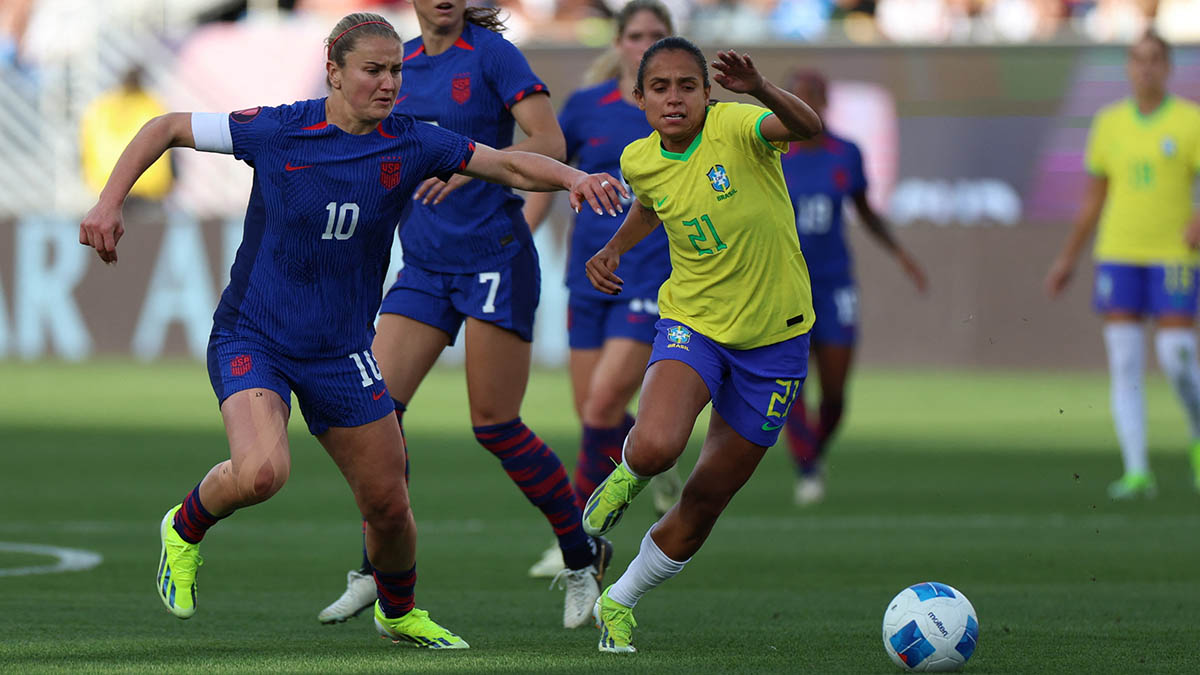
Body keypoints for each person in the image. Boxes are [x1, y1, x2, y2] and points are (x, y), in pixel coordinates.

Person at [77, 12, 624, 649]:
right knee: (261, 474)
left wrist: (576, 178)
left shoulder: (413, 140)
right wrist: (110, 200)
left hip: (340, 352)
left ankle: (398, 611)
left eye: (396, 70)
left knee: (389, 505)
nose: (390, 83)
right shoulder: (279, 128)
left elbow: (509, 165)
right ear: (334, 72)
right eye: (374, 70)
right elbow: (167, 126)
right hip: (256, 339)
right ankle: (185, 526)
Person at [316, 0, 614, 631]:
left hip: (493, 260)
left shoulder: (492, 55)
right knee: (375, 417)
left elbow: (550, 142)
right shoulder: (400, 63)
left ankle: (581, 555)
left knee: (495, 425)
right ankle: (375, 569)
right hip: (424, 265)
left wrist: (467, 169)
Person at [580, 37, 823, 653]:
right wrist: (614, 247)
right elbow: (651, 204)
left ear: (707, 92)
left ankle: (620, 600)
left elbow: (809, 126)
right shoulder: (639, 159)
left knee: (709, 496)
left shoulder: (739, 125)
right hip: (696, 324)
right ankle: (629, 472)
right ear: (639, 98)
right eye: (659, 87)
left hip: (777, 341)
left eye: (687, 85)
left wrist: (763, 87)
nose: (674, 97)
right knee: (660, 444)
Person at [520, 0, 682, 580]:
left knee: (601, 405)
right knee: (593, 412)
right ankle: (653, 455)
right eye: (635, 34)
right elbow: (550, 175)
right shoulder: (586, 108)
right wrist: (522, 237)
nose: (643, 43)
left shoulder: (675, 110)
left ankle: (578, 543)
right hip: (586, 272)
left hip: (648, 274)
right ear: (618, 42)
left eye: (655, 35)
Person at [1046, 31, 1200, 500]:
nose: (1146, 68)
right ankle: (1137, 471)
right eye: (1137, 60)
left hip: (1173, 254)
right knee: (1125, 361)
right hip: (1118, 252)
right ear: (1129, 68)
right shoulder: (1109, 123)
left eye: (1155, 59)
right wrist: (1068, 258)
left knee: (1177, 356)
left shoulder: (1190, 121)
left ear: (1168, 67)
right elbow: (1094, 198)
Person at [779, 69, 927, 507]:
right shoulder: (772, 153)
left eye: (812, 98)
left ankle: (815, 450)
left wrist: (899, 253)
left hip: (835, 281)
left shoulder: (846, 153)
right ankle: (806, 467)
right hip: (786, 283)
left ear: (825, 104)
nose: (805, 105)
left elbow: (864, 210)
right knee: (789, 382)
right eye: (796, 97)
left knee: (837, 392)